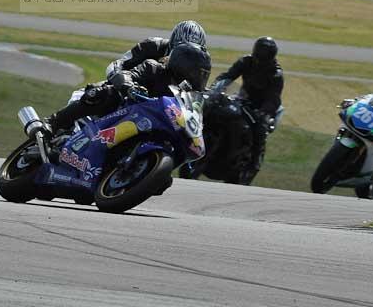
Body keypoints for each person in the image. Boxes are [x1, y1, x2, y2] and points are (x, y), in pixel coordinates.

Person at [48, 41, 212, 135]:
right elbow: (129, 74)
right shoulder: (153, 68)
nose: (199, 79)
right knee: (103, 93)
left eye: (204, 75)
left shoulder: (189, 94)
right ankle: (52, 124)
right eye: (197, 73)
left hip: (153, 126)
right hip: (126, 111)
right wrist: (129, 86)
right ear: (183, 66)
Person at [209, 36, 284, 184]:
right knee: (214, 110)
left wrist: (263, 112)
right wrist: (216, 87)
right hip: (242, 99)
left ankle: (254, 163)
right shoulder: (246, 61)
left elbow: (273, 98)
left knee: (259, 129)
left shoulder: (276, 74)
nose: (260, 60)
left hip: (260, 107)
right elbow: (228, 76)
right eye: (258, 56)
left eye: (264, 57)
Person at [105, 19, 207, 80]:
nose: (187, 56)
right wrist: (122, 80)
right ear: (173, 44)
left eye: (194, 54)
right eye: (183, 50)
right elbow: (118, 65)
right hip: (134, 96)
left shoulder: (201, 64)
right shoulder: (152, 46)